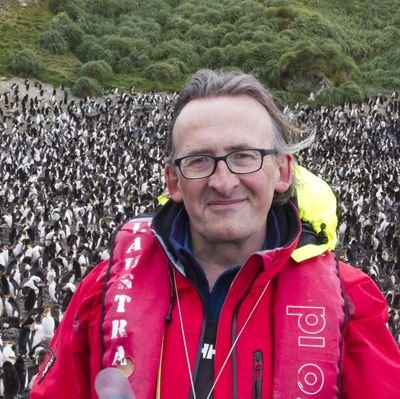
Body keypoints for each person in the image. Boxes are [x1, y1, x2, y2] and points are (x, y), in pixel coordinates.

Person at [30, 70, 400, 399]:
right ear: (173, 181)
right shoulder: (103, 293)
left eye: (244, 156)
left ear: (283, 172)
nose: (223, 183)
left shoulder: (351, 304)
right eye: (199, 160)